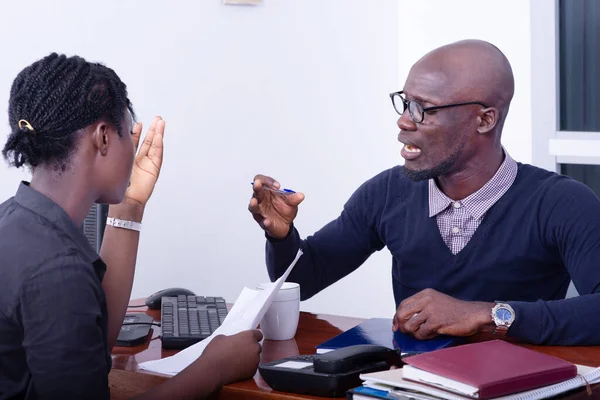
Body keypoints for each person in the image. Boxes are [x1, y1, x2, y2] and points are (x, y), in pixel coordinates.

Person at [249, 39, 600, 346]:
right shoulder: (387, 193)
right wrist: (281, 238)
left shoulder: (561, 203)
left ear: (484, 120)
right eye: (405, 102)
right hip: (410, 384)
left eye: (423, 109)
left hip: (516, 386)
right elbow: (302, 280)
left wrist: (488, 314)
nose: (404, 121)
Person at [0, 53, 262, 400]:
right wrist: (213, 368)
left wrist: (131, 204)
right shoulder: (57, 269)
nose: (132, 151)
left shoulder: (16, 221)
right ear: (104, 137)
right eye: (127, 134)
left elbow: (93, 340)